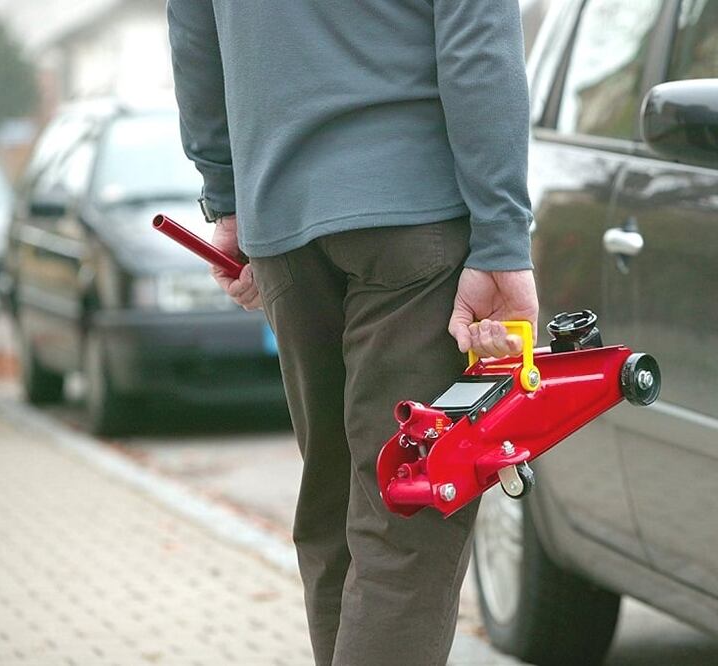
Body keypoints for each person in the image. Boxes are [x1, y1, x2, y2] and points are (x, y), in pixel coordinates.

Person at [166, 2, 538, 664]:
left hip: (284, 222)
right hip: (416, 224)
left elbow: (195, 35)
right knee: (406, 519)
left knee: (336, 504)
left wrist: (226, 199)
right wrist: (503, 241)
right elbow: (478, 49)